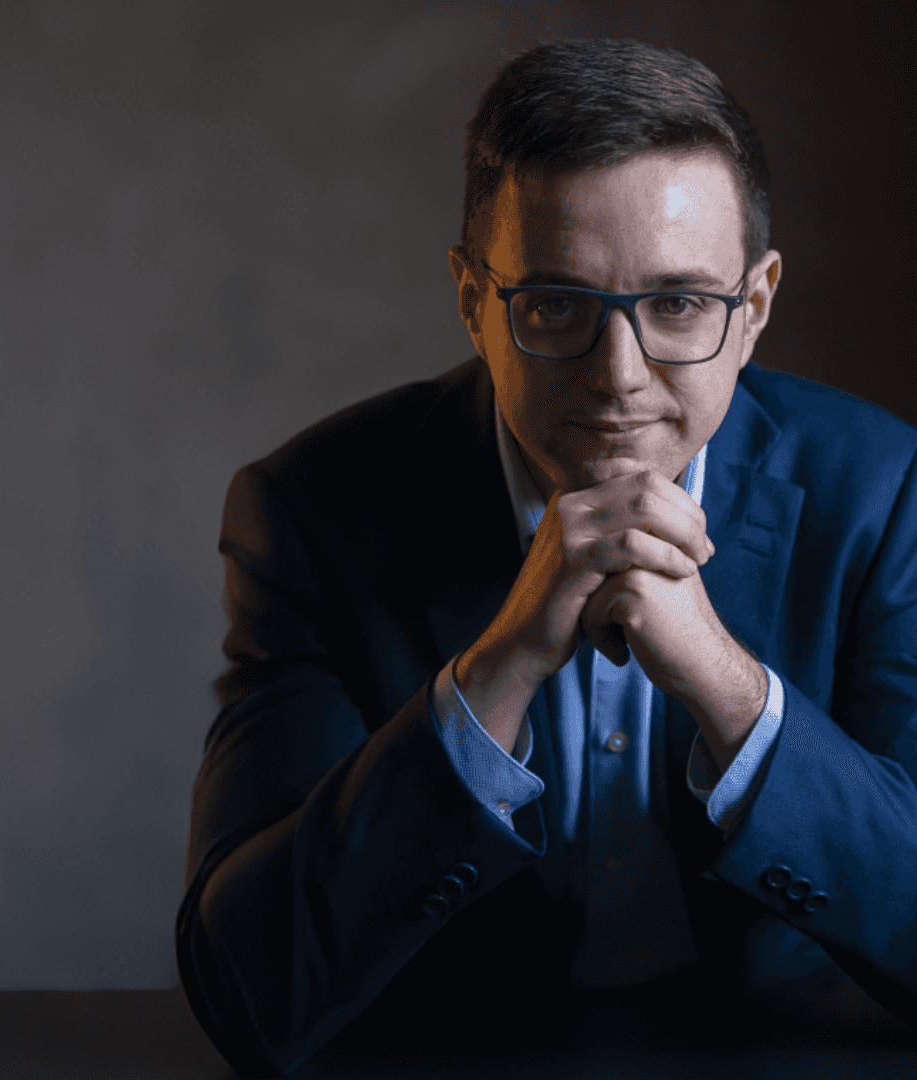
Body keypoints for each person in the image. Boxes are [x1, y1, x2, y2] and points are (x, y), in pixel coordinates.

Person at [176, 38, 916, 1077]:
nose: (619, 378)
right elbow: (249, 991)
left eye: (678, 305)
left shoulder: (882, 494)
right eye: (557, 305)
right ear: (475, 300)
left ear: (752, 309)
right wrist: (498, 670)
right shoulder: (312, 512)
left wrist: (729, 689)